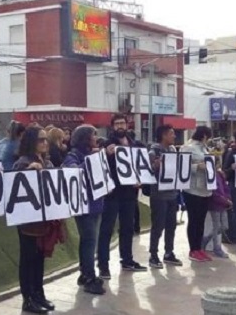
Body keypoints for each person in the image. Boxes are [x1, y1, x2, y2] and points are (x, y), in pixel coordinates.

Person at [13, 125, 63, 314]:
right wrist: (27, 171)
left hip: (44, 218)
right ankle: (28, 298)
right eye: (40, 140)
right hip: (27, 220)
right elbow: (15, 186)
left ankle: (38, 294)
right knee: (28, 258)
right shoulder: (23, 162)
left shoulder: (47, 162)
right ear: (31, 142)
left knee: (39, 257)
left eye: (45, 139)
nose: (44, 143)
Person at [97, 114, 146, 278]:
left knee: (128, 228)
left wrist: (141, 180)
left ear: (127, 125)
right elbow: (98, 164)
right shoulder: (106, 144)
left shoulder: (135, 144)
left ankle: (127, 260)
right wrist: (105, 153)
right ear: (112, 126)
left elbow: (141, 166)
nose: (120, 126)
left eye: (122, 123)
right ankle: (103, 265)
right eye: (117, 123)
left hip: (130, 193)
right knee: (106, 229)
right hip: (112, 193)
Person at [61, 124, 106, 295]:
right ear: (85, 138)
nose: (96, 138)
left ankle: (85, 273)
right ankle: (88, 276)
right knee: (89, 241)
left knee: (90, 241)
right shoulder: (73, 155)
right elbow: (73, 173)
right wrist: (90, 161)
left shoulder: (91, 154)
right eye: (93, 135)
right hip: (84, 206)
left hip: (96, 204)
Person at [147, 125, 183, 269]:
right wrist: (155, 166)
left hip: (172, 193)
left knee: (171, 225)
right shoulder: (154, 151)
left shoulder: (173, 150)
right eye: (171, 133)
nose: (174, 136)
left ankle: (169, 252)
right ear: (163, 135)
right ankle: (153, 254)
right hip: (159, 195)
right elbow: (147, 170)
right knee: (158, 226)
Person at [181, 126, 214, 262]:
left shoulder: (204, 148)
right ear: (204, 136)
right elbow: (181, 166)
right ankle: (193, 249)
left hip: (205, 189)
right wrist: (197, 167)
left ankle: (199, 248)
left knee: (201, 221)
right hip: (193, 189)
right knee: (193, 220)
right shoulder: (188, 148)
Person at [203, 160, 231, 258]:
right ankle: (217, 248)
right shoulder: (209, 176)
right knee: (217, 226)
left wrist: (228, 198)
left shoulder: (220, 175)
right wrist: (224, 200)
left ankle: (204, 241)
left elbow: (225, 187)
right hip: (215, 205)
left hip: (223, 204)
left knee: (224, 226)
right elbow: (213, 193)